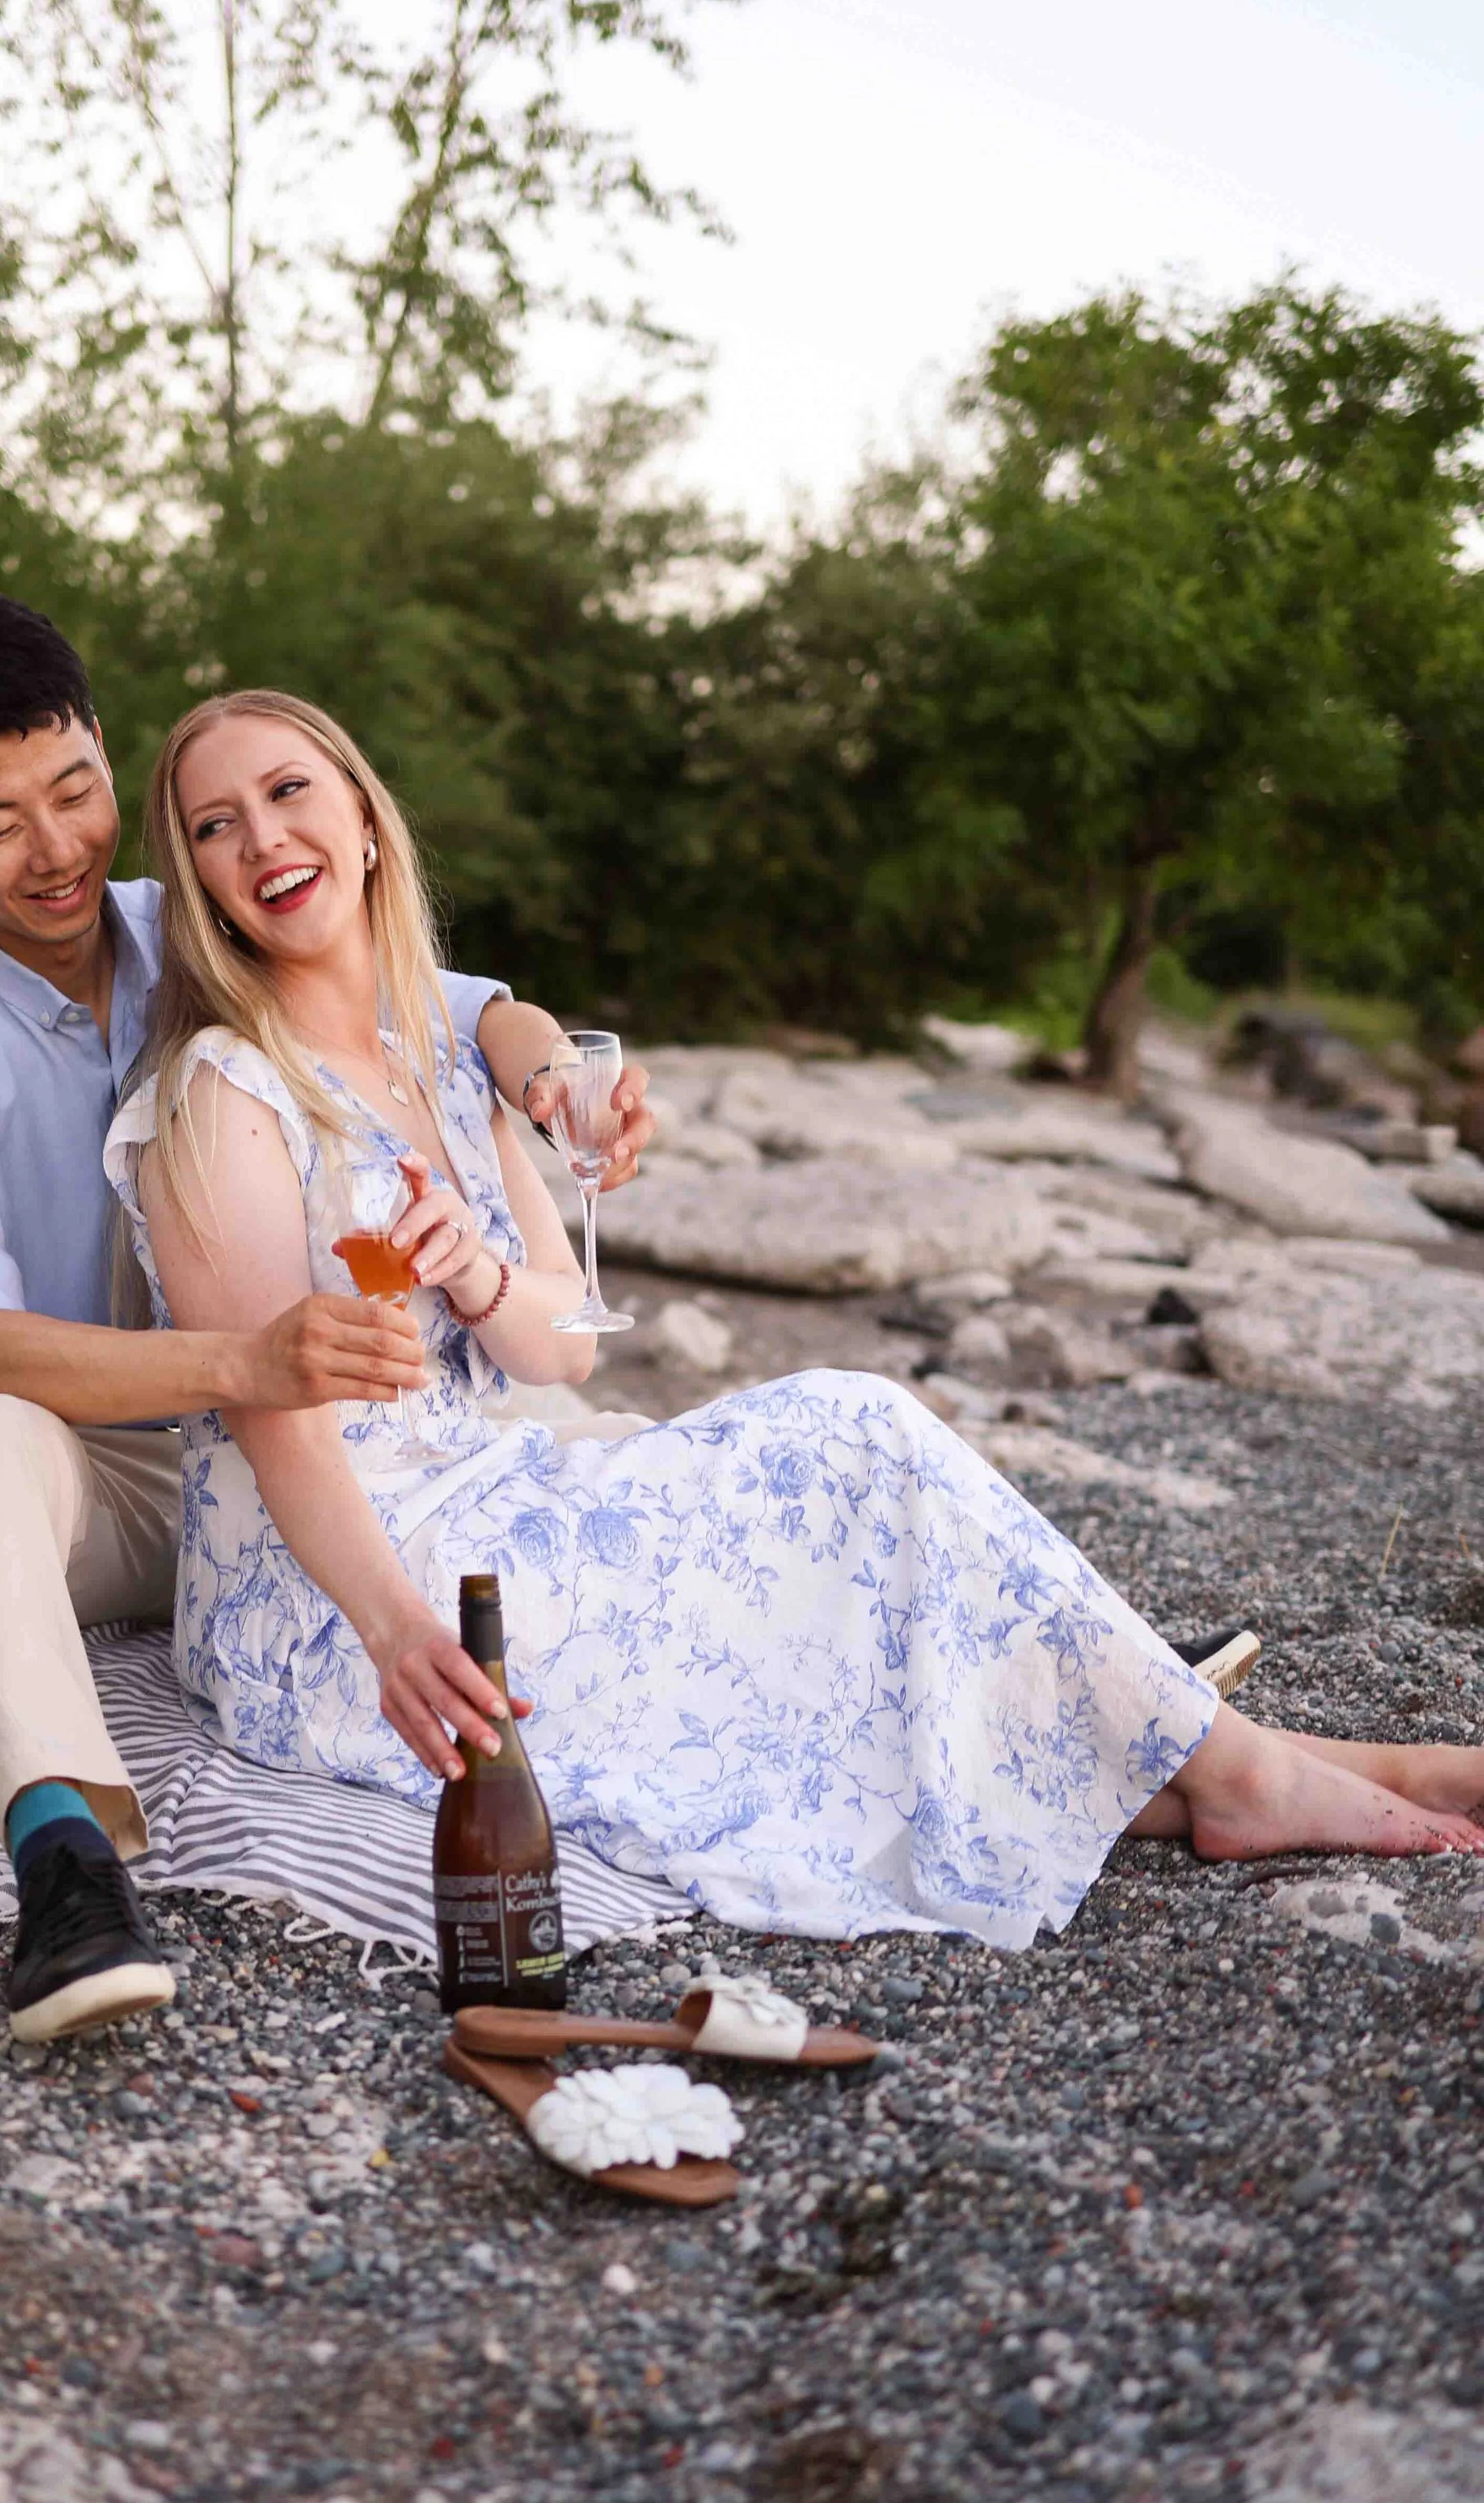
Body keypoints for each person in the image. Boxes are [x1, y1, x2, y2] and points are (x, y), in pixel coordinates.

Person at [105, 685, 1484, 1948]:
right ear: (199, 883)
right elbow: (265, 1410)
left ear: (360, 816)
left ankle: (1270, 1764)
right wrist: (402, 1628)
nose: (262, 839)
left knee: (849, 1473)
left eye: (290, 792)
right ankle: (1254, 1768)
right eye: (214, 825)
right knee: (841, 1471)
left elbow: (560, 1344)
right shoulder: (221, 1089)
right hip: (333, 1593)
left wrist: (473, 1269)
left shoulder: (438, 1053)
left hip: (486, 1490)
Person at [0, 600, 653, 2044]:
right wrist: (246, 1358)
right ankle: (68, 1867)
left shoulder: (192, 915)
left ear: (102, 750)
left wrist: (552, 1080)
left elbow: (450, 1010)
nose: (60, 849)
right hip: (89, 1474)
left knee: (612, 1465)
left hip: (271, 1465)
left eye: (77, 791)